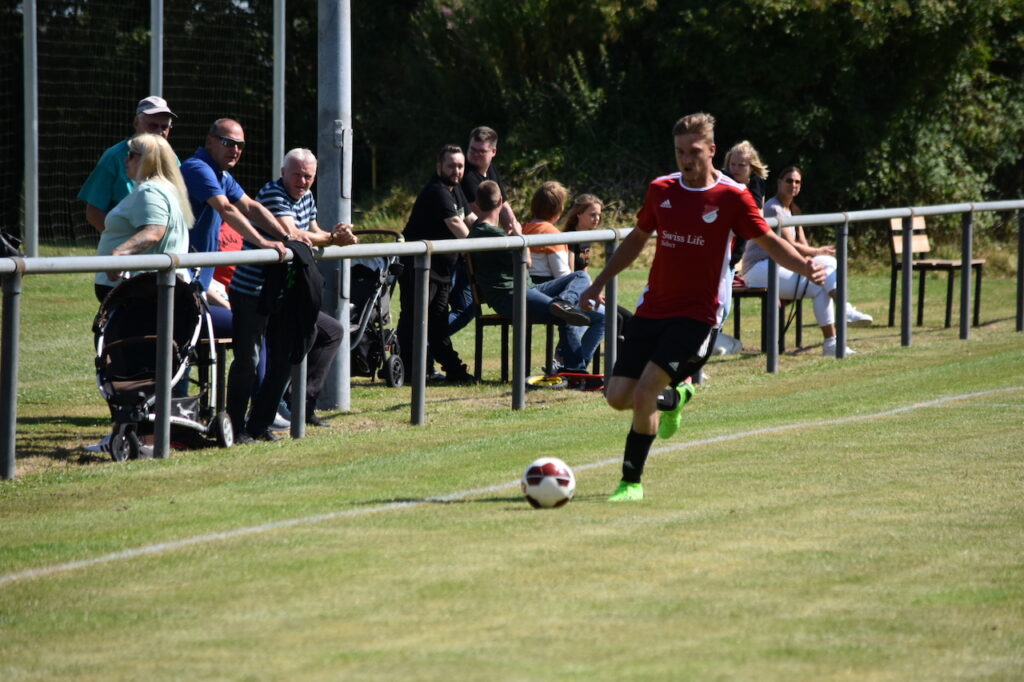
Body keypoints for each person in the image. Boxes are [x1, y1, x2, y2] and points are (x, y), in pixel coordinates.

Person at [580, 112, 827, 502]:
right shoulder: (661, 189)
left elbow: (767, 240)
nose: (686, 159)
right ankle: (676, 398)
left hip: (698, 316)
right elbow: (636, 240)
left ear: (712, 151)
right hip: (653, 309)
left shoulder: (732, 197)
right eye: (679, 152)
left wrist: (803, 266)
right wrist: (599, 282)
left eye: (694, 151)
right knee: (617, 397)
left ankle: (631, 483)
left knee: (644, 395)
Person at [226, 148, 357, 441]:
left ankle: (266, 421)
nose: (302, 181)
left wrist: (336, 236)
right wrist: (334, 239)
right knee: (248, 360)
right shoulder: (273, 194)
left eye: (308, 176)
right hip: (253, 292)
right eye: (296, 174)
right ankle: (234, 427)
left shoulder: (307, 197)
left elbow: (313, 231)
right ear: (283, 172)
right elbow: (293, 234)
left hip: (283, 293)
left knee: (300, 348)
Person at [469, 181, 605, 372]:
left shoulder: (476, 231)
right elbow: (527, 261)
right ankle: (576, 371)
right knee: (570, 315)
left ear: (476, 203)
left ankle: (564, 303)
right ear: (500, 202)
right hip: (514, 296)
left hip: (526, 290)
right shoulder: (493, 235)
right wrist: (518, 235)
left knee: (580, 276)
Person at [742, 165, 872, 358]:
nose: (792, 185)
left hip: (780, 265)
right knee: (823, 272)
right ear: (779, 182)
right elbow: (790, 245)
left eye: (797, 182)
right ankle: (844, 311)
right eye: (788, 181)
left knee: (823, 276)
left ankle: (831, 342)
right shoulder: (772, 207)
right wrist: (819, 251)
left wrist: (818, 258)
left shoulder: (793, 210)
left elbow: (803, 245)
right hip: (759, 268)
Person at [180, 118, 295, 293]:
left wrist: (286, 237)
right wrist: (263, 243)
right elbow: (226, 209)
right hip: (181, 277)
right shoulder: (198, 168)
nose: (235, 150)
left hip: (195, 279)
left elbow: (251, 207)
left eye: (240, 145)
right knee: (228, 320)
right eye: (228, 143)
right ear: (210, 142)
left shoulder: (221, 175)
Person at [396, 145, 478, 385]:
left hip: (441, 269)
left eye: (460, 166)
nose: (456, 170)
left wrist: (495, 238)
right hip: (419, 267)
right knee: (413, 318)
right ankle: (408, 371)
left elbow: (470, 219)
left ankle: (453, 370)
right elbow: (456, 224)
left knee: (438, 323)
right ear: (439, 166)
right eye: (451, 165)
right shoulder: (437, 190)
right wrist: (480, 251)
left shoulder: (455, 189)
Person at [94, 133, 193, 302]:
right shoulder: (167, 189)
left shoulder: (150, 191)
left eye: (131, 155)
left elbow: (154, 231)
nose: (126, 160)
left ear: (148, 159)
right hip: (152, 289)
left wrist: (119, 254)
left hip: (142, 293)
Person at [448, 126, 522, 338]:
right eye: (472, 149)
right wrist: (505, 239)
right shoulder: (468, 176)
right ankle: (424, 345)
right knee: (463, 308)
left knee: (466, 309)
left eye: (481, 151)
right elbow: (479, 218)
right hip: (462, 252)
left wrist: (515, 229)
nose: (474, 155)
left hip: (471, 251)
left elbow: (503, 204)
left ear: (493, 152)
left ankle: (426, 348)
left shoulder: (489, 172)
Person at [79, 96, 177, 234]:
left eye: (165, 127)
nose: (159, 132)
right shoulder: (114, 157)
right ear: (136, 123)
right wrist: (121, 241)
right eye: (153, 125)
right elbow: (93, 212)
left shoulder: (172, 158)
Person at [715, 140, 771, 355]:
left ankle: (708, 349)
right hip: (719, 253)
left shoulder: (757, 183)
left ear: (751, 167)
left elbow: (757, 214)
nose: (735, 169)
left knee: (724, 308)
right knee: (719, 307)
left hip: (736, 253)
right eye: (733, 164)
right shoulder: (721, 180)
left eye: (741, 165)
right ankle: (704, 353)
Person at [523, 181, 571, 283]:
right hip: (545, 288)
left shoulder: (520, 229)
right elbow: (562, 275)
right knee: (582, 277)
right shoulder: (552, 234)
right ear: (559, 210)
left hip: (522, 287)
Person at [562, 193, 603, 272]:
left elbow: (584, 266)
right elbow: (570, 273)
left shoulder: (586, 235)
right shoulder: (570, 237)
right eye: (593, 215)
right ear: (579, 214)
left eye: (599, 215)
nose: (597, 218)